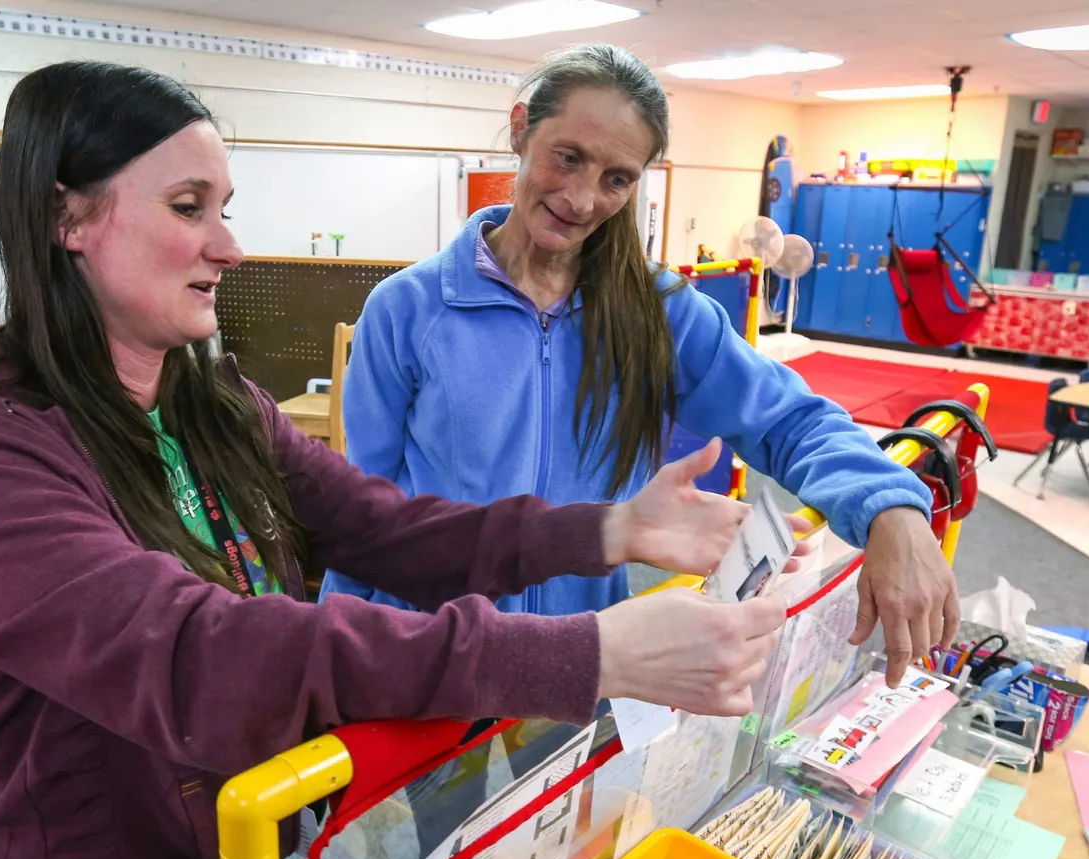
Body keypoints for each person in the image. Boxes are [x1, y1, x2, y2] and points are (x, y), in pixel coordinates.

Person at [0, 61, 791, 859]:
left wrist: (603, 532)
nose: (228, 245)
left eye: (224, 208)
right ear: (68, 218)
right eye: (190, 208)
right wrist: (585, 651)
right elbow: (201, 651)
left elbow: (384, 525)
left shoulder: (203, 389)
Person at [325, 44, 961, 684]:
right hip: (443, 651)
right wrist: (341, 666)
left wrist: (893, 510)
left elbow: (789, 420)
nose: (581, 199)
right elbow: (364, 517)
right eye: (567, 157)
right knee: (437, 791)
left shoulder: (658, 311)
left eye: (616, 180)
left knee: (563, 791)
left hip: (592, 656)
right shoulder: (409, 309)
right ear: (521, 129)